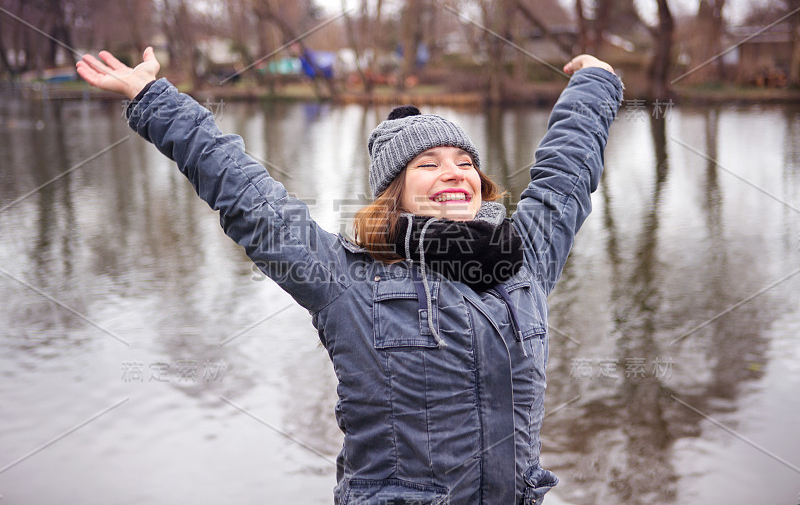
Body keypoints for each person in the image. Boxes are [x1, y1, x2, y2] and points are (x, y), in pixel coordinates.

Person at [77, 47, 623, 505]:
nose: (453, 173)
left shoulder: (522, 260)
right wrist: (154, 99)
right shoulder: (347, 279)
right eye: (427, 165)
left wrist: (595, 86)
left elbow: (565, 178)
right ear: (396, 196)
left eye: (463, 161)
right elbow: (247, 196)